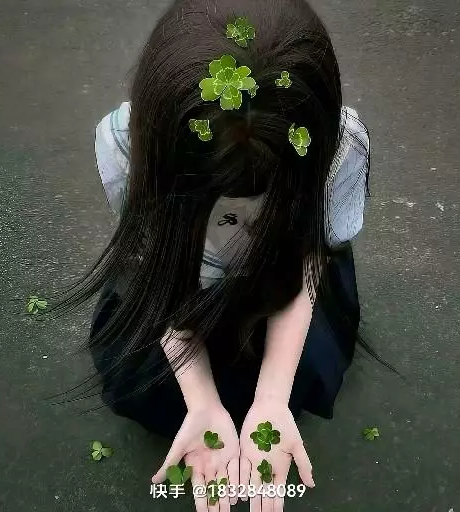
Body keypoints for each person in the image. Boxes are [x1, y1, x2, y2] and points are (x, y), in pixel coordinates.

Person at [50, 0, 384, 510]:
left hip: (283, 282)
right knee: (149, 386)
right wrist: (201, 399)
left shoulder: (340, 148)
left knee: (305, 374)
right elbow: (154, 263)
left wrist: (271, 398)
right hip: (178, 286)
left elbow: (311, 255)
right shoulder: (126, 145)